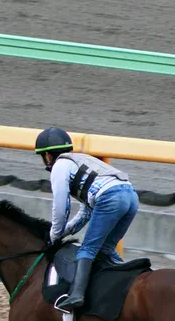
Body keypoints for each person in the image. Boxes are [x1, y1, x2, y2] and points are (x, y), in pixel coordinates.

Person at [35, 126, 139, 311]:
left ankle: (76, 295)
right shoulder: (81, 161)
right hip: (131, 196)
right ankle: (134, 279)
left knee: (87, 249)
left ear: (48, 156)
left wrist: (55, 234)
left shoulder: (60, 166)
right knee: (106, 248)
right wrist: (63, 232)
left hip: (111, 197)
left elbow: (61, 206)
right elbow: (85, 213)